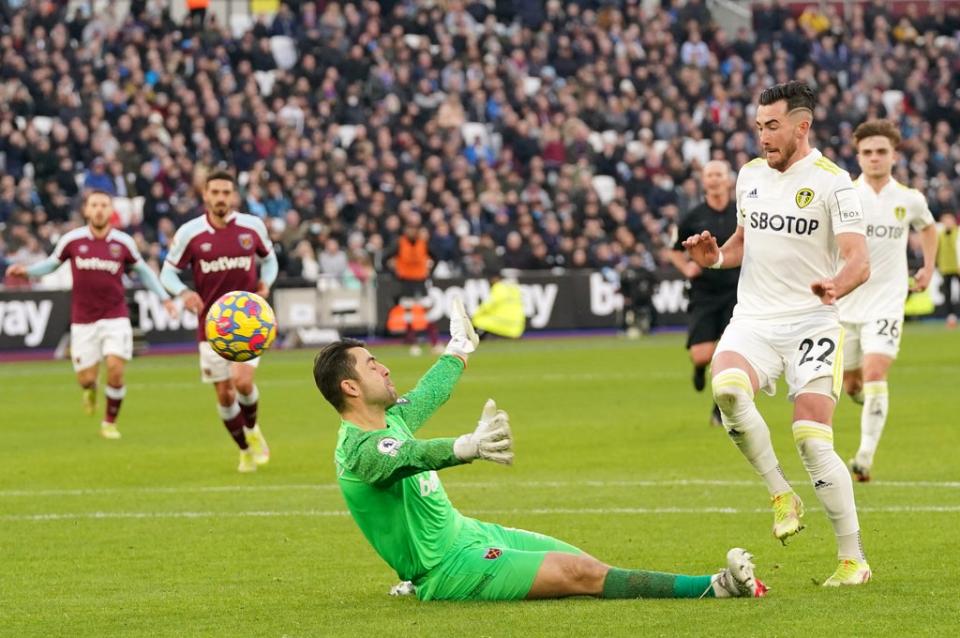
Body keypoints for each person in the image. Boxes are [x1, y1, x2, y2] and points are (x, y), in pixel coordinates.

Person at [313, 299, 767, 601]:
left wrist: (458, 350)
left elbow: (428, 394)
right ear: (351, 387)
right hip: (450, 567)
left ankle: (411, 580)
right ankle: (717, 587)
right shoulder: (359, 450)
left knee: (587, 565)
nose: (386, 368)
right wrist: (465, 448)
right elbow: (410, 456)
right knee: (580, 575)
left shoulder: (389, 416)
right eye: (373, 366)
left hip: (470, 534)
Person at [683, 81, 872, 586]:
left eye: (772, 126)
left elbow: (859, 260)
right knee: (726, 390)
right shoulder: (749, 176)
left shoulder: (834, 183)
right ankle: (780, 493)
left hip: (812, 321)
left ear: (801, 127)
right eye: (759, 126)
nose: (763, 136)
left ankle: (853, 559)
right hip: (755, 320)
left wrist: (835, 285)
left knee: (811, 439)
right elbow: (744, 241)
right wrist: (717, 256)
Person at [5, 190, 176, 439]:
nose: (98, 209)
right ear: (86, 210)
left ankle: (109, 422)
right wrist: (28, 272)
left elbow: (145, 273)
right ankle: (90, 389)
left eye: (103, 205)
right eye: (94, 205)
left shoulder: (123, 243)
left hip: (115, 315)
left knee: (116, 369)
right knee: (86, 379)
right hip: (83, 319)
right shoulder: (72, 240)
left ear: (110, 211)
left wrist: (164, 298)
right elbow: (52, 263)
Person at [837, 120, 939, 482]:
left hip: (886, 302)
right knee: (851, 384)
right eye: (867, 152)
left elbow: (928, 228)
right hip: (846, 304)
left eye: (881, 152)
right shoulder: (844, 196)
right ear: (858, 156)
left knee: (876, 372)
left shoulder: (909, 199)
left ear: (894, 156)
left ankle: (864, 457)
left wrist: (927, 267)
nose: (874, 158)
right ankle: (872, 405)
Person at [160, 170, 279, 472]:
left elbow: (270, 259)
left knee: (242, 381)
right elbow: (168, 272)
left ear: (234, 196)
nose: (221, 198)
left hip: (249, 323)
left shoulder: (251, 228)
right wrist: (184, 293)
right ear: (205, 195)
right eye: (215, 192)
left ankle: (252, 430)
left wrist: (265, 283)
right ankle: (244, 449)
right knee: (225, 394)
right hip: (211, 327)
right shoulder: (190, 233)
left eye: (226, 192)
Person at [670, 160, 740, 426]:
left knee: (727, 350)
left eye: (718, 174)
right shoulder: (693, 217)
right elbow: (673, 249)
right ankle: (699, 369)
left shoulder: (741, 213)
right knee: (702, 354)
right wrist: (686, 267)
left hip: (736, 289)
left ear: (728, 179)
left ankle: (718, 410)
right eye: (709, 175)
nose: (714, 179)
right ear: (704, 181)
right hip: (705, 292)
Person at [936, 212, 958, 328]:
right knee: (947, 293)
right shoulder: (940, 234)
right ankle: (951, 317)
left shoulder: (958, 232)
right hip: (945, 267)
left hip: (957, 266)